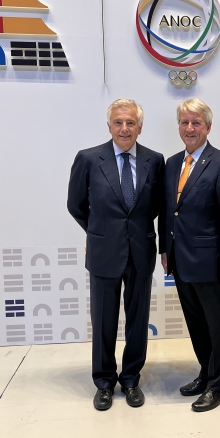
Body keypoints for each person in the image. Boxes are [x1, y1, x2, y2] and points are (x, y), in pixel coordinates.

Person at [67, 99, 165, 411]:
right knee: (104, 321)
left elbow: (158, 206)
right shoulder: (88, 159)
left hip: (141, 251)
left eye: (130, 123)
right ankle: (104, 382)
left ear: (140, 127)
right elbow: (75, 205)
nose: (124, 128)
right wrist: (100, 230)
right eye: (119, 122)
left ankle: (132, 379)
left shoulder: (155, 160)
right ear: (109, 126)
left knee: (138, 320)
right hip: (103, 253)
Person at [160, 98, 220, 412]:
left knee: (216, 326)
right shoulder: (171, 164)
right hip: (180, 260)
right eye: (185, 122)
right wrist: (165, 250)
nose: (190, 128)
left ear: (208, 127)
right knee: (195, 324)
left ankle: (219, 386)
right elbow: (168, 212)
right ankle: (206, 374)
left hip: (209, 262)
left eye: (196, 123)